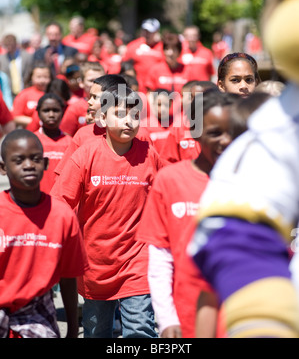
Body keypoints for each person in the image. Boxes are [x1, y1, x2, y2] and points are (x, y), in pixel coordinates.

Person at [188, 0, 299, 337]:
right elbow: (233, 230)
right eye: (235, 80)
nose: (243, 86)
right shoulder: (265, 129)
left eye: (248, 79)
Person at [51, 85, 165, 338]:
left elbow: (168, 193)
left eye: (135, 115)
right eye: (121, 114)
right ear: (102, 118)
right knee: (95, 331)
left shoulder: (149, 155)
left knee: (140, 329)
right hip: (95, 264)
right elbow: (59, 205)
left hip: (138, 260)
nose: (129, 121)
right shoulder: (85, 155)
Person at [137, 89, 240, 338]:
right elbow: (161, 257)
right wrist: (166, 318)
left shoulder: (253, 180)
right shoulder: (170, 181)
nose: (225, 140)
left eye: (233, 133)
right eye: (215, 132)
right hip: (185, 316)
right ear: (196, 133)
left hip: (243, 315)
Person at [0, 129, 88, 338]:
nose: (29, 165)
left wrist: (73, 331)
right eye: (19, 160)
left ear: (46, 165)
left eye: (35, 159)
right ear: (3, 168)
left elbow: (68, 278)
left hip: (38, 313)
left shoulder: (62, 216)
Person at [159, 80, 217, 163]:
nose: (193, 102)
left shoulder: (226, 125)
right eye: (191, 97)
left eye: (199, 98)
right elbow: (167, 161)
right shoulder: (179, 128)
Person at [34, 93, 72, 193]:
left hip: (63, 202)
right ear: (38, 113)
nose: (51, 115)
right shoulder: (32, 141)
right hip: (37, 201)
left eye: (55, 110)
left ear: (63, 112)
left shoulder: (71, 143)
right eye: (46, 111)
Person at [60, 62, 105, 136]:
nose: (96, 84)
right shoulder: (75, 108)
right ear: (81, 83)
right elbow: (66, 136)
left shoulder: (111, 105)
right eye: (91, 80)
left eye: (100, 80)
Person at [121, 18, 164, 93]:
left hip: (156, 89)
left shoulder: (163, 47)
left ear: (157, 32)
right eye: (144, 30)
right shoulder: (133, 45)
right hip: (137, 88)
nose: (146, 34)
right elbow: (125, 63)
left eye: (150, 31)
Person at [12, 63, 52, 129]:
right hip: (30, 134)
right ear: (31, 77)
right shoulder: (24, 94)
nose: (42, 80)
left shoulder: (53, 94)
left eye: (45, 77)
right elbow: (15, 117)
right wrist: (37, 122)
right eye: (38, 77)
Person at [0, 34, 33, 99]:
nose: (9, 48)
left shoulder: (27, 56)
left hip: (24, 91)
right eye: (7, 45)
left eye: (11, 45)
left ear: (16, 44)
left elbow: (30, 73)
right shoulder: (2, 59)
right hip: (9, 94)